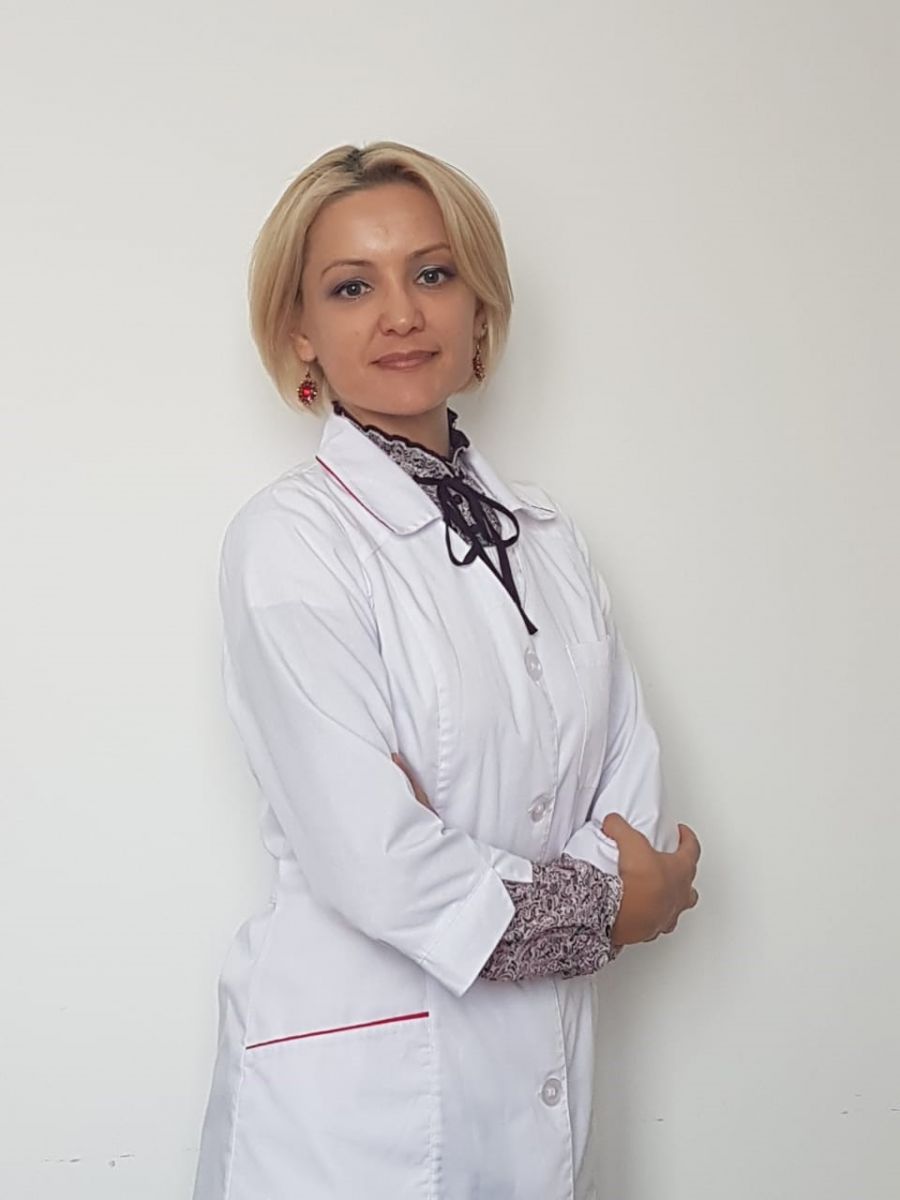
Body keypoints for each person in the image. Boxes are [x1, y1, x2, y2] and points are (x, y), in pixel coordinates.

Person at [191, 140, 701, 1200]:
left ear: (479, 311)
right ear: (300, 332)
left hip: (541, 1081)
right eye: (351, 286)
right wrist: (608, 912)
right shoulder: (289, 542)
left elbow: (630, 804)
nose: (401, 314)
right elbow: (376, 860)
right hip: (352, 1115)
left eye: (432, 273)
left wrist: (519, 876)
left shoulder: (549, 543)